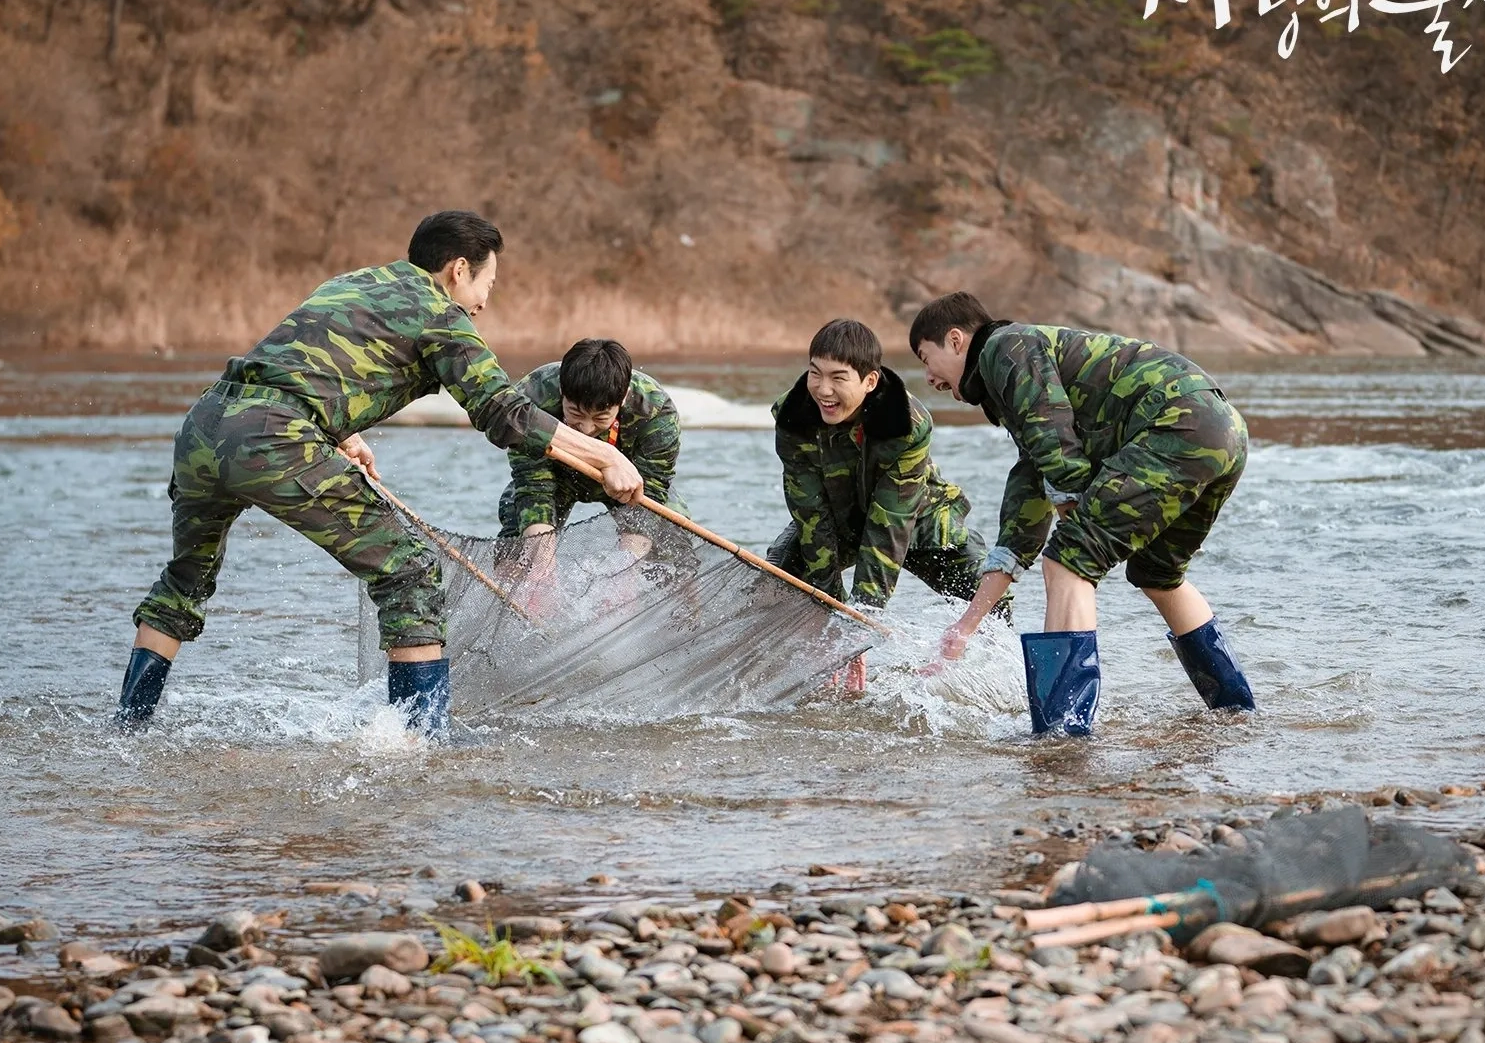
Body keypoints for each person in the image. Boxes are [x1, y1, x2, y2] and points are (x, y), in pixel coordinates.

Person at [115, 211, 643, 739]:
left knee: (186, 581)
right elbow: (502, 411)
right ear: (459, 269)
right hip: (276, 439)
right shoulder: (440, 313)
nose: (485, 300)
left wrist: (339, 432)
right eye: (488, 283)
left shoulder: (352, 284)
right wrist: (606, 459)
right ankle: (421, 743)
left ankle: (128, 730)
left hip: (206, 426)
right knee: (410, 571)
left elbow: (296, 366)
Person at [907, 291, 1255, 736]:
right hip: (1221, 431)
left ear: (956, 340)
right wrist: (964, 629)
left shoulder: (1005, 348)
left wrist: (1071, 511)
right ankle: (1236, 713)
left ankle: (1063, 733)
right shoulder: (1022, 388)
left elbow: (1053, 440)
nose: (929, 378)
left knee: (1068, 561)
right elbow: (1023, 518)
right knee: (1157, 574)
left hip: (1175, 423)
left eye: (926, 357)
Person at [768, 318, 997, 690]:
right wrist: (832, 622)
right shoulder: (793, 416)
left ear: (869, 382)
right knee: (779, 571)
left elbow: (890, 523)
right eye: (815, 374)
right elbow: (810, 515)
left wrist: (857, 627)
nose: (823, 390)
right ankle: (794, 672)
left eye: (838, 378)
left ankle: (972, 673)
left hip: (917, 513)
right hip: (838, 516)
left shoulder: (908, 422)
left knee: (981, 582)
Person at [497, 337, 682, 565]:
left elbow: (651, 492)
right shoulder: (531, 397)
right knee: (518, 558)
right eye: (575, 413)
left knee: (676, 558)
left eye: (600, 418)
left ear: (622, 398)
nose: (586, 429)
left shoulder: (656, 410)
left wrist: (624, 575)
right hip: (554, 476)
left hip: (630, 483)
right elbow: (534, 486)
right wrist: (539, 575)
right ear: (562, 391)